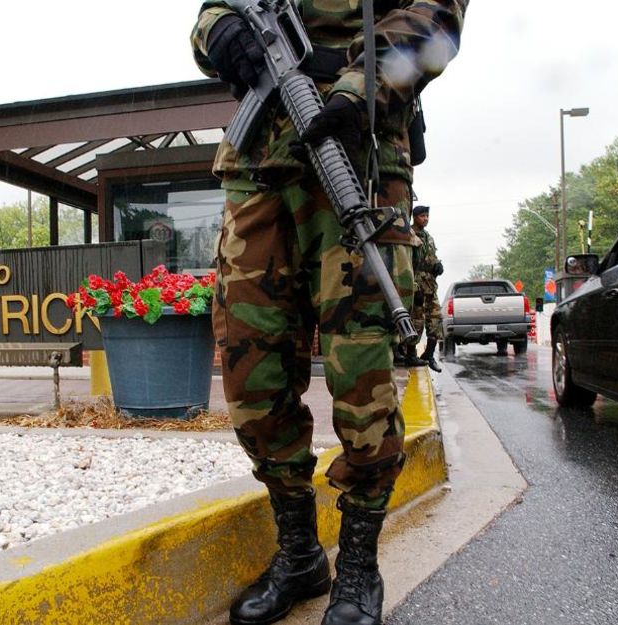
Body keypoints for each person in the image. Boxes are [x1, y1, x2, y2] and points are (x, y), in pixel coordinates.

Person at [191, 2, 467, 624]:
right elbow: (209, 16)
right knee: (249, 372)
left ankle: (360, 564)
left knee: (360, 373)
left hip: (357, 153)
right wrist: (220, 33)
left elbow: (436, 15)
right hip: (258, 168)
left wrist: (358, 90)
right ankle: (299, 553)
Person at [405, 204, 444, 372]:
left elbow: (431, 258)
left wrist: (437, 266)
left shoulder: (429, 237)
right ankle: (411, 355)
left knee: (436, 320)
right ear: (415, 217)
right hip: (416, 286)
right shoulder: (409, 235)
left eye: (427, 216)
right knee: (416, 322)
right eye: (422, 216)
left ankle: (428, 354)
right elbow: (406, 262)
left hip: (430, 285)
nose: (426, 219)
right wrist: (413, 287)